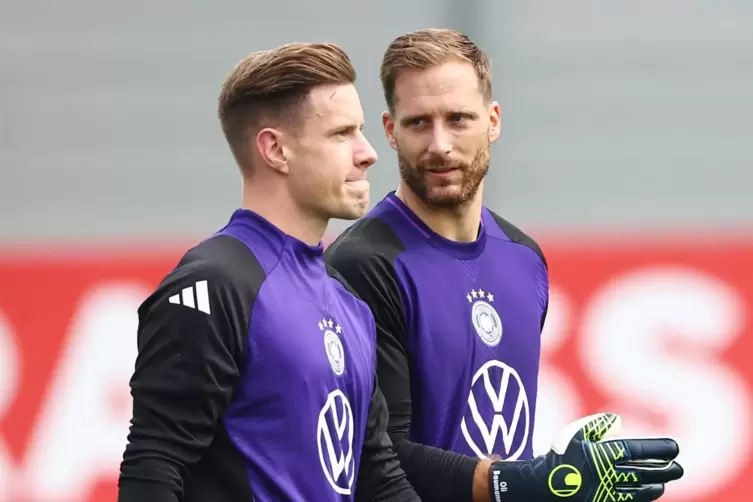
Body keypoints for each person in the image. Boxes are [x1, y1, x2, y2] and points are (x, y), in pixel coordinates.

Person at [325, 28, 684, 502]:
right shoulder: (362, 264)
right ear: (390, 131)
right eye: (418, 123)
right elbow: (376, 455)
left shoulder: (524, 257)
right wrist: (518, 482)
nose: (439, 144)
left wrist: (549, 480)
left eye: (458, 119)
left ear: (492, 121)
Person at [117, 42, 421, 502]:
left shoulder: (348, 302)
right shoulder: (215, 284)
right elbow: (155, 467)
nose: (367, 153)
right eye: (342, 134)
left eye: (360, 131)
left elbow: (379, 478)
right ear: (276, 150)